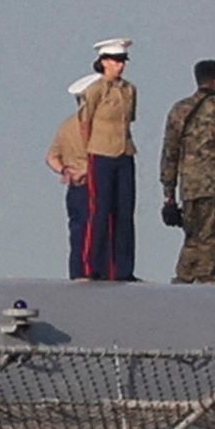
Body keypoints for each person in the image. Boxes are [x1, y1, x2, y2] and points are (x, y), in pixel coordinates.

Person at [160, 60, 215, 285]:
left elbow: (170, 151)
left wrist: (168, 191)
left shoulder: (179, 110)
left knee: (193, 237)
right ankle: (206, 282)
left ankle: (184, 278)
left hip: (189, 185)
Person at [78, 39, 141, 282]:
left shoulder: (129, 90)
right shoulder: (95, 90)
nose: (120, 66)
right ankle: (92, 265)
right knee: (100, 211)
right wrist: (87, 151)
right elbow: (85, 121)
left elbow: (130, 118)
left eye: (122, 61)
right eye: (115, 61)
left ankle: (123, 268)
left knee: (125, 211)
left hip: (124, 152)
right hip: (101, 153)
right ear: (104, 62)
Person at [47, 78, 96, 279]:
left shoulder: (66, 126)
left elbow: (51, 157)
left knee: (77, 233)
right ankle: (92, 271)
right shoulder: (96, 127)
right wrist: (85, 170)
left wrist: (65, 170)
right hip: (91, 185)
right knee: (93, 232)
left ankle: (77, 272)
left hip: (74, 186)